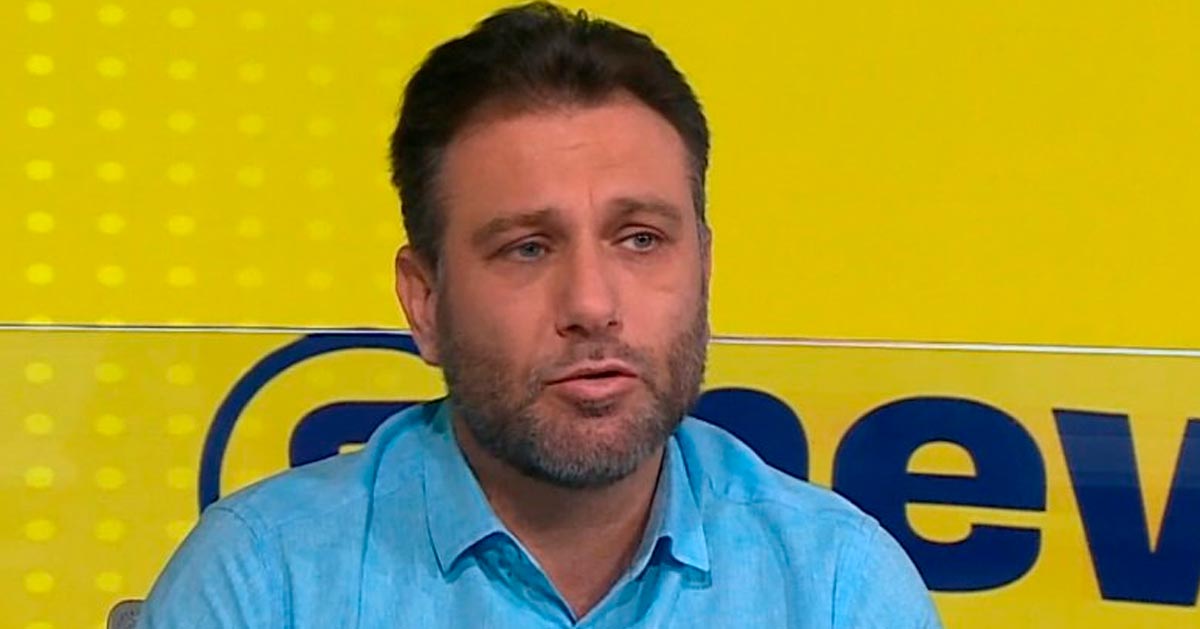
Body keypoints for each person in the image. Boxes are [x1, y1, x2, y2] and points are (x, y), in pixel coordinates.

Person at [137, 3, 942, 627]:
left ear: (704, 266)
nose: (592, 304)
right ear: (425, 300)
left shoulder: (836, 585)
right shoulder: (265, 580)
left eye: (641, 238)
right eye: (527, 248)